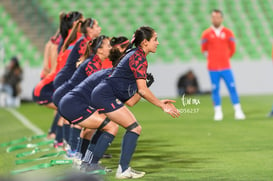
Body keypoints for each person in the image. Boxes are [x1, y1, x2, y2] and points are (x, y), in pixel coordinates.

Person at [90, 26, 180, 179]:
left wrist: (159, 101)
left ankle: (92, 165)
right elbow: (143, 90)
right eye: (155, 39)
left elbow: (132, 101)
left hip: (103, 94)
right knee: (134, 128)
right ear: (145, 42)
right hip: (105, 95)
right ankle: (121, 170)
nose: (157, 43)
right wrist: (161, 105)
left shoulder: (135, 54)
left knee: (113, 128)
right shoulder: (138, 58)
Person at [201, 9, 246, 121]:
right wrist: (213, 59)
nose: (216, 19)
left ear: (222, 18)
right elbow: (204, 50)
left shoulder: (228, 32)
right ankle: (218, 112)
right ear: (211, 19)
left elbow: (233, 49)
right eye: (213, 17)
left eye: (218, 17)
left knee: (232, 87)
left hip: (226, 67)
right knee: (215, 89)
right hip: (212, 68)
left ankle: (238, 111)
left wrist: (224, 58)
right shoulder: (206, 34)